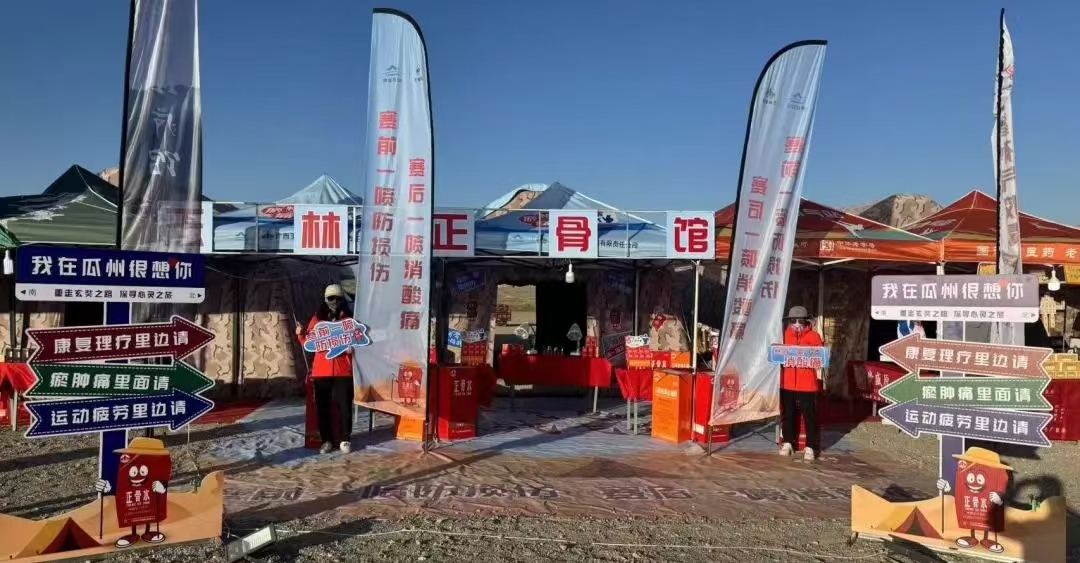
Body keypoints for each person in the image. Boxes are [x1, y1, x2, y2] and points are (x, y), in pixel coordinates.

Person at [296, 284, 355, 454]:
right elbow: (308, 343)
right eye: (331, 298)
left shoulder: (350, 319)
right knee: (323, 407)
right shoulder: (317, 319)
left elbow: (359, 339)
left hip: (344, 370)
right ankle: (326, 440)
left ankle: (345, 439)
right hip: (322, 371)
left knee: (345, 406)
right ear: (325, 299)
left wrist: (353, 348)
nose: (335, 301)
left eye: (338, 298)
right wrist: (300, 333)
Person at [778, 305, 824, 461]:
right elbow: (777, 355)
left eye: (800, 321)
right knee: (788, 413)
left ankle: (810, 446)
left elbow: (821, 359)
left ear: (806, 322)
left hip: (807, 384)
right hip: (787, 382)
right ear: (789, 322)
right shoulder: (784, 336)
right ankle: (788, 442)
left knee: (809, 415)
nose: (797, 324)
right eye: (793, 321)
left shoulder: (814, 337)